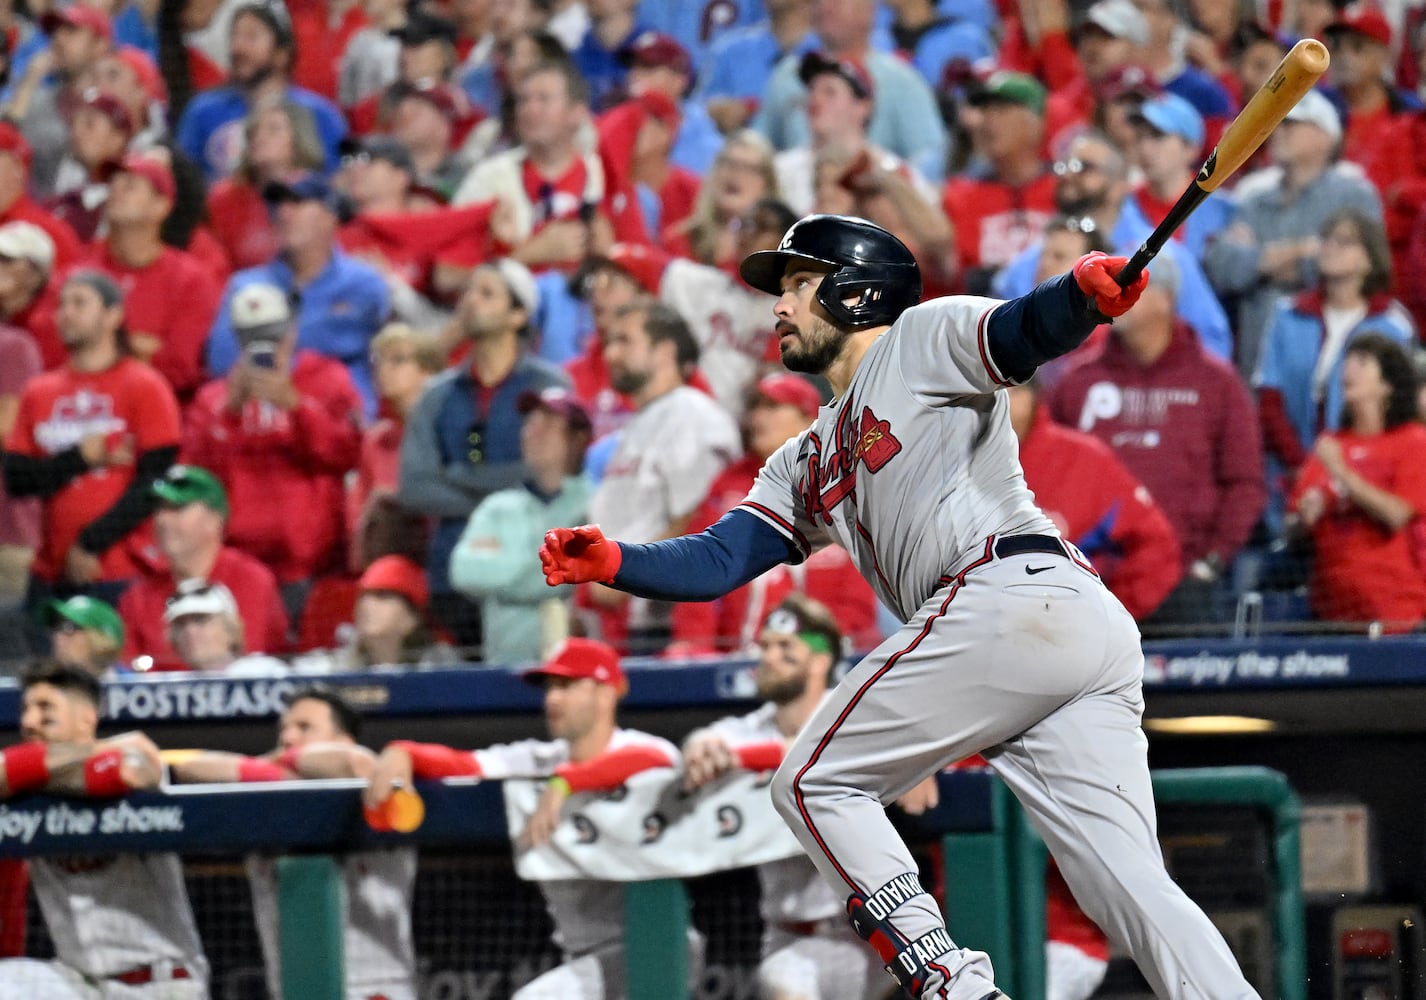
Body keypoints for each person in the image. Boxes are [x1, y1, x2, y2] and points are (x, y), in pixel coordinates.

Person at [539, 213, 1259, 999]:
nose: (779, 307)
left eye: (800, 286)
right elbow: (722, 557)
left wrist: (1079, 296)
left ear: (857, 292)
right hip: (1058, 620)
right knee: (1128, 887)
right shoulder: (801, 458)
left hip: (1004, 593)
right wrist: (616, 562)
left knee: (812, 782)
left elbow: (1021, 331)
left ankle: (953, 985)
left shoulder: (917, 337)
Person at [363, 638, 697, 1000]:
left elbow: (659, 761)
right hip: (587, 954)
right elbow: (464, 764)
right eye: (550, 687)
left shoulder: (641, 749)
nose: (553, 699)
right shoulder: (539, 759)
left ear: (606, 693)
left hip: (659, 944)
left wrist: (567, 782)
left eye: (567, 686)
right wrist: (403, 752)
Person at [682, 594, 884, 1000]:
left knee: (784, 982)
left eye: (785, 648)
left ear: (820, 661)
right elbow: (709, 740)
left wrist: (744, 759)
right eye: (766, 647)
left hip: (861, 932)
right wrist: (699, 747)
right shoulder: (755, 727)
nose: (769, 657)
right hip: (782, 932)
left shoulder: (849, 713)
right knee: (781, 977)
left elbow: (811, 752)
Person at [1047, 254, 1265, 628]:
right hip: (1086, 579)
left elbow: (1244, 482)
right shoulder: (1076, 380)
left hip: (1183, 582)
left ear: (1165, 299)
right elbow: (1046, 463)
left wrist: (1212, 560)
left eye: (1130, 286)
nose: (1115, 295)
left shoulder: (1217, 382)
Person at [167, 685, 417, 1000]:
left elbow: (357, 764)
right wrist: (276, 773)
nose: (287, 737)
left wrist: (270, 766)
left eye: (305, 728)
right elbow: (189, 769)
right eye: (283, 730)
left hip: (374, 990)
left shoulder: (376, 789)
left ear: (342, 739)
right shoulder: (264, 805)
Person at [0, 662, 207, 998]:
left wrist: (32, 771)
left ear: (86, 717)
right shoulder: (115, 749)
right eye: (25, 709)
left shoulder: (131, 758)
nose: (27, 722)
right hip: (77, 982)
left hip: (161, 981)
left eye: (45, 709)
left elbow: (133, 772)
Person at [398, 258, 569, 650]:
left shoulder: (549, 386)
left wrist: (459, 475)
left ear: (518, 314)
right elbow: (415, 486)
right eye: (470, 291)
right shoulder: (437, 394)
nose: (471, 302)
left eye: (487, 293)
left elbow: (551, 475)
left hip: (533, 568)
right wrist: (507, 489)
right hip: (453, 570)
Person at [3, 271, 181, 634]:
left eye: (80, 303)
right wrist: (80, 459)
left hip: (120, 571)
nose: (65, 313)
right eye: (61, 305)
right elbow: (18, 479)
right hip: (50, 572)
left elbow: (156, 482)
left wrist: (89, 543)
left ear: (113, 315)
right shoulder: (39, 391)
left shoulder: (144, 385)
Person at [668, 374, 881, 656]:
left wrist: (821, 653)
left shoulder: (841, 481)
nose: (758, 416)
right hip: (739, 655)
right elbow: (699, 570)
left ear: (809, 418)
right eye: (755, 406)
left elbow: (858, 594)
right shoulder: (727, 486)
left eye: (773, 406)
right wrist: (695, 648)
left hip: (823, 653)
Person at [184, 282, 363, 616]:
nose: (265, 346)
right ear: (237, 338)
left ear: (292, 331)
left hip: (314, 565)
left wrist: (298, 407)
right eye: (252, 336)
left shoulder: (327, 380)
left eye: (272, 334)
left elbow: (348, 454)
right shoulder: (213, 401)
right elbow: (199, 482)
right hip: (241, 565)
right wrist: (230, 414)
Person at [581, 299, 740, 653]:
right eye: (609, 342)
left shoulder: (694, 416)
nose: (610, 354)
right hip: (627, 621)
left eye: (625, 341)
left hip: (669, 624)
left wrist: (623, 573)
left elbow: (704, 520)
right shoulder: (637, 426)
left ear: (665, 351)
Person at [1202, 88, 1382, 376]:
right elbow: (1223, 267)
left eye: (1291, 124)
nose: (1279, 132)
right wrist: (1301, 251)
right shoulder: (1255, 197)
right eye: (1277, 124)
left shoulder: (1355, 195)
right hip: (1256, 356)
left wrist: (1258, 263)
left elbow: (1358, 270)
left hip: (1329, 357)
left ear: (1326, 136)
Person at [206, 173, 392, 419]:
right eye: (278, 204)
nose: (283, 213)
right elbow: (221, 359)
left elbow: (384, 349)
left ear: (330, 215)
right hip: (262, 421)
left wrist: (268, 344)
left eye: (297, 202)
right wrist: (323, 341)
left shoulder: (364, 282)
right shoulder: (246, 284)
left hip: (342, 421)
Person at [1256, 209, 1415, 476]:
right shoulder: (1288, 314)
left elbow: (1399, 404)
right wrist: (1301, 465)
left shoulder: (1392, 324)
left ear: (1369, 259)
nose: (1330, 247)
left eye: (1344, 241)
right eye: (1326, 239)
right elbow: (1269, 397)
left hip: (1368, 468)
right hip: (1287, 471)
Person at [1007, 379, 1181, 622]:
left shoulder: (1085, 461)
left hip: (1066, 635)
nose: (999, 400)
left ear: (1033, 395)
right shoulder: (945, 459)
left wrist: (1109, 617)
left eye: (1010, 390)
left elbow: (1156, 545)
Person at [1288, 333, 1426, 632]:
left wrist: (1343, 473)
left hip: (1396, 614)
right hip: (1330, 612)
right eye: (1348, 361)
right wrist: (1304, 515)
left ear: (1387, 385)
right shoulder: (1330, 444)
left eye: (1362, 362)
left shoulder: (1413, 443)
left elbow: (1397, 514)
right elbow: (1294, 528)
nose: (1348, 369)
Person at [450, 387, 594, 666]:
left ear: (578, 439)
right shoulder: (497, 507)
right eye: (529, 423)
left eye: (549, 424)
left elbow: (589, 573)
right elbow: (463, 571)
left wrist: (502, 566)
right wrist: (552, 570)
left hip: (576, 670)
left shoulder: (597, 503)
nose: (533, 432)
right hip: (503, 668)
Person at [118, 463, 289, 670]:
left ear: (214, 519)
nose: (161, 518)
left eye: (177, 508)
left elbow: (254, 664)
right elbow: (131, 675)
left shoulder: (251, 581)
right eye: (159, 508)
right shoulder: (137, 598)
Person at [80, 152, 222, 399]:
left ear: (161, 206)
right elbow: (57, 349)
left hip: (158, 407)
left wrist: (97, 345)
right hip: (82, 403)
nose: (117, 191)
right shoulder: (82, 267)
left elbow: (181, 368)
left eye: (130, 185)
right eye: (113, 184)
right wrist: (139, 347)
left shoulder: (191, 279)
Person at [174, 0, 347, 180]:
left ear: (282, 54)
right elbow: (184, 184)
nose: (238, 47)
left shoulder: (320, 114)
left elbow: (338, 181)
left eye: (251, 37)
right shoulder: (202, 110)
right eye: (234, 36)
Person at [349, 323, 445, 571]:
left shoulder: (450, 433)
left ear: (429, 372)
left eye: (398, 360)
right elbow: (359, 516)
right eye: (379, 361)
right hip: (384, 562)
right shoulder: (376, 440)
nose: (383, 369)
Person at [297, 555, 456, 671]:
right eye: (364, 596)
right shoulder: (337, 666)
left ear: (413, 616)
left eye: (382, 597)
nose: (367, 605)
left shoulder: (440, 665)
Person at [163, 578, 289, 676]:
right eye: (181, 624)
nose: (189, 631)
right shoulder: (172, 691)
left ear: (230, 629)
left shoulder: (266, 674)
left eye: (200, 620)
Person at [43, 595, 127, 678]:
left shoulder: (132, 686)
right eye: (55, 627)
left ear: (102, 639)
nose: (58, 637)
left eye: (68, 628)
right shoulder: (41, 686)